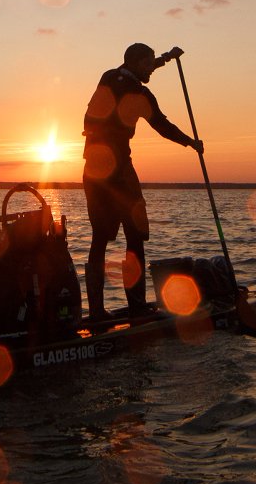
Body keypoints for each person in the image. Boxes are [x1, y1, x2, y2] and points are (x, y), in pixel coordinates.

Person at [79, 43, 202, 319]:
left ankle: (97, 311)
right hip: (119, 173)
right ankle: (136, 306)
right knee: (135, 237)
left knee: (99, 239)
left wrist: (165, 60)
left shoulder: (109, 76)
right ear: (135, 62)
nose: (151, 70)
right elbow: (162, 126)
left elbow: (133, 70)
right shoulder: (140, 94)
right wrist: (191, 143)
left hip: (93, 171)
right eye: (147, 64)